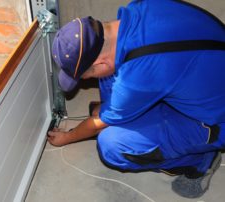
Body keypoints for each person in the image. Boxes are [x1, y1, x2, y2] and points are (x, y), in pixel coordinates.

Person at [48, 0, 225, 198]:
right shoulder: (138, 8)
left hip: (216, 120)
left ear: (98, 62)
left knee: (112, 145)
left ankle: (200, 161)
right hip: (206, 69)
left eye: (86, 76)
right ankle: (119, 110)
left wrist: (68, 137)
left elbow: (97, 126)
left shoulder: (138, 76)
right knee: (112, 77)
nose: (86, 81)